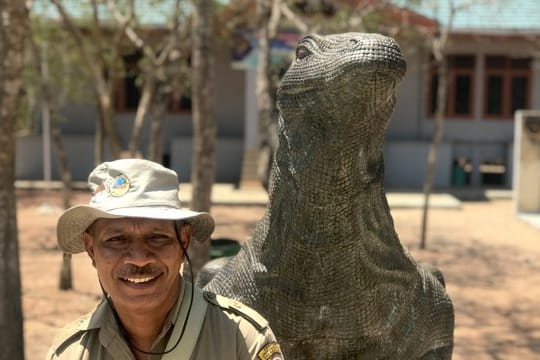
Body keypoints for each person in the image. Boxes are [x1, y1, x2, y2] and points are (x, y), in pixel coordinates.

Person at [47, 158, 283, 360]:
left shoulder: (239, 339)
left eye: (157, 237)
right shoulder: (71, 353)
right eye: (116, 239)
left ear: (184, 241)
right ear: (91, 250)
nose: (139, 259)